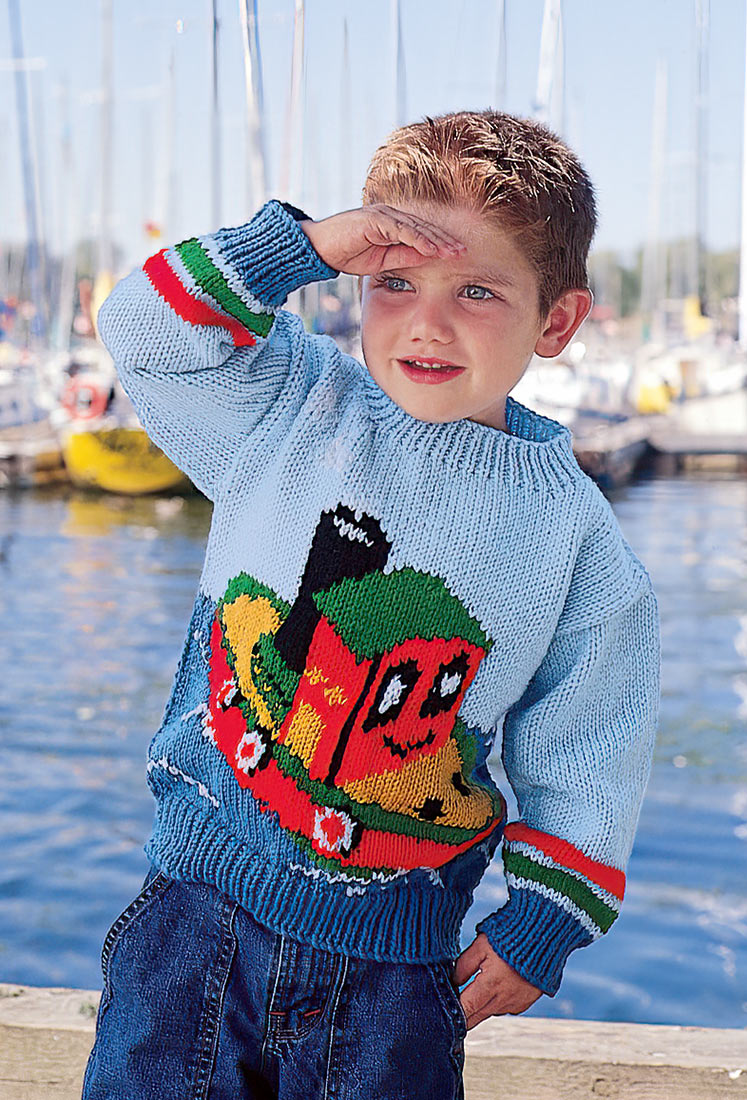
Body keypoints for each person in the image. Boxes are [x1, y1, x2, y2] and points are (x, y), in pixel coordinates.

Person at [81, 110, 659, 1100]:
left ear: (556, 321)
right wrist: (299, 247)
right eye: (396, 282)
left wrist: (545, 919)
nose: (428, 323)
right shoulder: (289, 403)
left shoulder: (577, 541)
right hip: (192, 921)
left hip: (393, 976)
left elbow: (589, 747)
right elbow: (144, 329)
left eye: (476, 290)